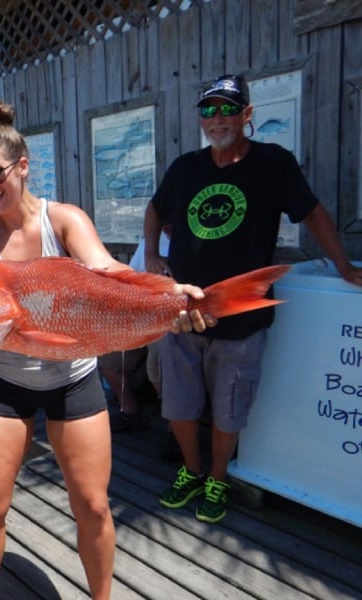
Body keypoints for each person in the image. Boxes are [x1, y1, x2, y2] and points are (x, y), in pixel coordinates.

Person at [0, 98, 209, 600]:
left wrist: (166, 295)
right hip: (6, 382)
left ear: (22, 167)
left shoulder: (62, 220)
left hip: (72, 380)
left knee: (93, 505)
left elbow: (107, 271)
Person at [144, 73, 362, 524]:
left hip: (242, 314)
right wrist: (151, 256)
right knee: (178, 401)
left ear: (247, 115)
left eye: (227, 108)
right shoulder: (185, 168)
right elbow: (155, 208)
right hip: (183, 311)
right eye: (208, 110)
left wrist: (342, 266)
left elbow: (314, 213)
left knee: (231, 403)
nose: (217, 118)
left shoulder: (273, 163)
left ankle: (219, 478)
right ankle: (192, 470)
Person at [101, 226, 172, 433]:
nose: (166, 227)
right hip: (141, 315)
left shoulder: (191, 244)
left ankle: (174, 428)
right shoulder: (150, 242)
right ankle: (131, 411)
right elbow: (130, 278)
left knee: (157, 367)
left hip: (173, 321)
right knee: (108, 357)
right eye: (163, 221)